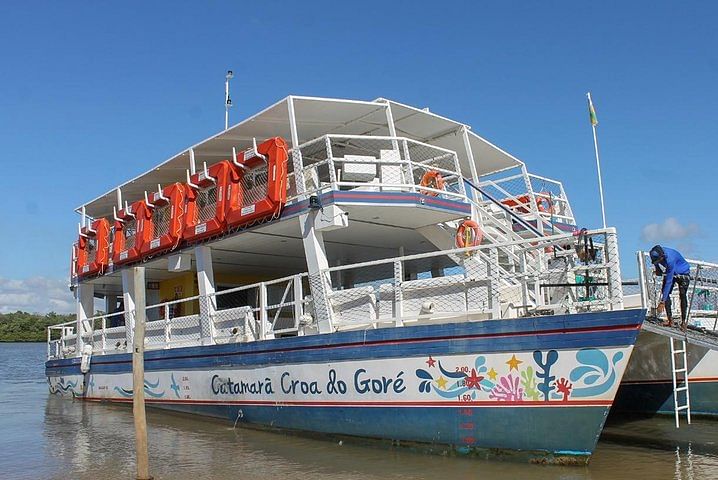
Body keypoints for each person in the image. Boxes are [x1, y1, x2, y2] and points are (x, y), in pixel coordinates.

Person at [650, 245, 691, 329]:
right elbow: (655, 262)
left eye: (660, 260)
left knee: (682, 295)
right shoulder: (653, 253)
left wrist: (662, 302)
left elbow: (669, 281)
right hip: (670, 271)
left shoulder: (670, 259)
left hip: (682, 272)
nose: (659, 261)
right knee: (665, 292)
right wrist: (658, 268)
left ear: (663, 256)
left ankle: (683, 321)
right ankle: (670, 320)